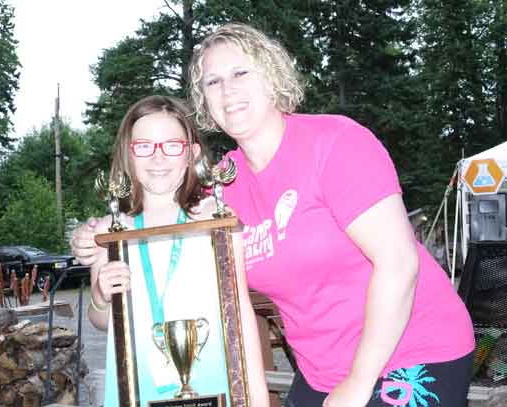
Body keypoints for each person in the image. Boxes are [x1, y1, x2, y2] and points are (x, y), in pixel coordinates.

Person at [187, 23, 475, 407]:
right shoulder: (223, 185)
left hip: (413, 351)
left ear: (272, 77)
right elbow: (162, 230)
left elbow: (399, 262)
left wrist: (359, 382)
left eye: (241, 72)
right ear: (204, 101)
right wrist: (102, 238)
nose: (228, 90)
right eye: (213, 82)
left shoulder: (334, 143)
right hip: (322, 370)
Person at [70, 95, 269, 406]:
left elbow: (240, 319)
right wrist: (99, 296)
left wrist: (257, 400)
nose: (158, 158)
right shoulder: (109, 231)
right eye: (144, 146)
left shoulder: (215, 221)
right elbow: (104, 322)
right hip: (135, 384)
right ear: (128, 154)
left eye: (171, 145)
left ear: (191, 154)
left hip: (212, 382)